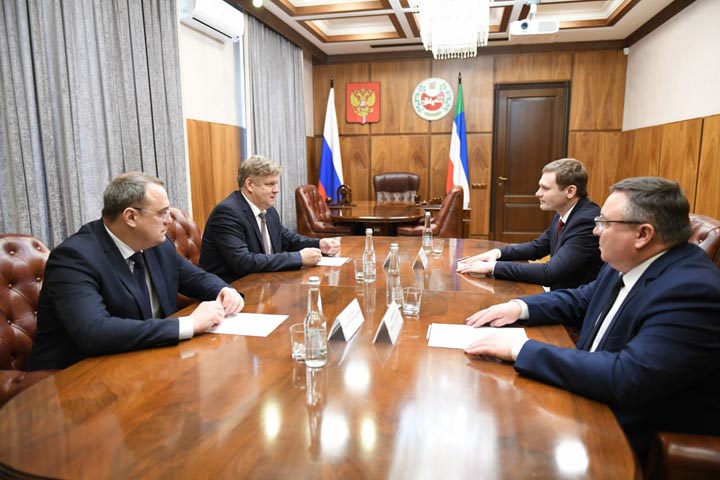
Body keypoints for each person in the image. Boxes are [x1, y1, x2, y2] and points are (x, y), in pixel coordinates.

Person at [464, 177, 720, 460]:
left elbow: (627, 377)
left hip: (624, 436)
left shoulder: (692, 291)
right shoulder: (627, 262)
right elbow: (581, 299)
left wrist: (519, 348)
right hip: (588, 397)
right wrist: (518, 308)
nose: (596, 231)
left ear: (643, 234)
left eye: (606, 223)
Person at [28, 172, 244, 370]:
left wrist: (223, 290)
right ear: (130, 217)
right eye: (162, 213)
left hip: (147, 360)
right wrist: (189, 324)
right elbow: (94, 332)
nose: (169, 220)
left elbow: (194, 277)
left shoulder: (157, 244)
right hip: (77, 375)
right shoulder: (74, 257)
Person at [457, 158, 603, 290]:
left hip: (574, 307)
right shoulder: (564, 212)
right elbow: (537, 247)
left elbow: (550, 272)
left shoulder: (586, 222)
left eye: (545, 188)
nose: (537, 193)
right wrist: (496, 253)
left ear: (570, 191)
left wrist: (493, 267)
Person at [200, 155, 340, 282]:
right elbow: (243, 262)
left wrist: (319, 244)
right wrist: (299, 258)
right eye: (270, 184)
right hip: (232, 289)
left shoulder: (268, 209)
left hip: (264, 282)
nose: (276, 190)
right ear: (250, 184)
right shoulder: (227, 213)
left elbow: (286, 238)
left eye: (276, 184)